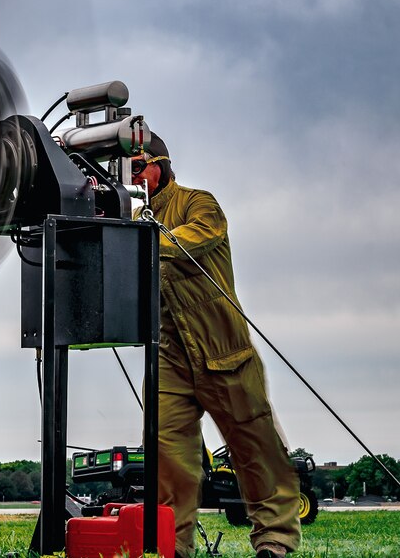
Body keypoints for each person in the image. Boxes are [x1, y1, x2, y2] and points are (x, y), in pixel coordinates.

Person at [131, 134, 301, 558]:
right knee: (169, 462)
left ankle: (274, 539)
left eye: (138, 165)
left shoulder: (198, 203)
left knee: (256, 451)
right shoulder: (130, 215)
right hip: (169, 357)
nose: (131, 176)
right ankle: (173, 548)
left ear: (161, 164)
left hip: (226, 351)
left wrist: (139, 237)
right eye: (124, 168)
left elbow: (197, 237)